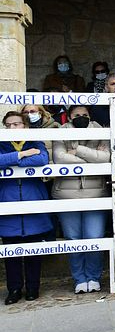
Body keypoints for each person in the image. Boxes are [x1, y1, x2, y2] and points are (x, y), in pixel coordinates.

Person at [52, 105, 110, 294]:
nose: (81, 117)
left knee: (94, 237)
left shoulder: (101, 131)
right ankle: (79, 279)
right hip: (66, 194)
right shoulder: (60, 131)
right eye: (77, 115)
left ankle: (93, 277)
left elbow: (107, 157)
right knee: (73, 239)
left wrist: (77, 150)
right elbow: (59, 158)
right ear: (69, 117)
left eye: (85, 115)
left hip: (96, 193)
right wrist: (92, 157)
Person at [1, 112, 55, 304]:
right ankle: (14, 289)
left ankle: (33, 288)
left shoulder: (34, 141)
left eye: (17, 124)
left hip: (33, 199)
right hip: (8, 202)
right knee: (11, 252)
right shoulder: (2, 143)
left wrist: (11, 159)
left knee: (34, 250)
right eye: (8, 125)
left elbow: (41, 159)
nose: (13, 128)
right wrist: (21, 155)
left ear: (24, 125)